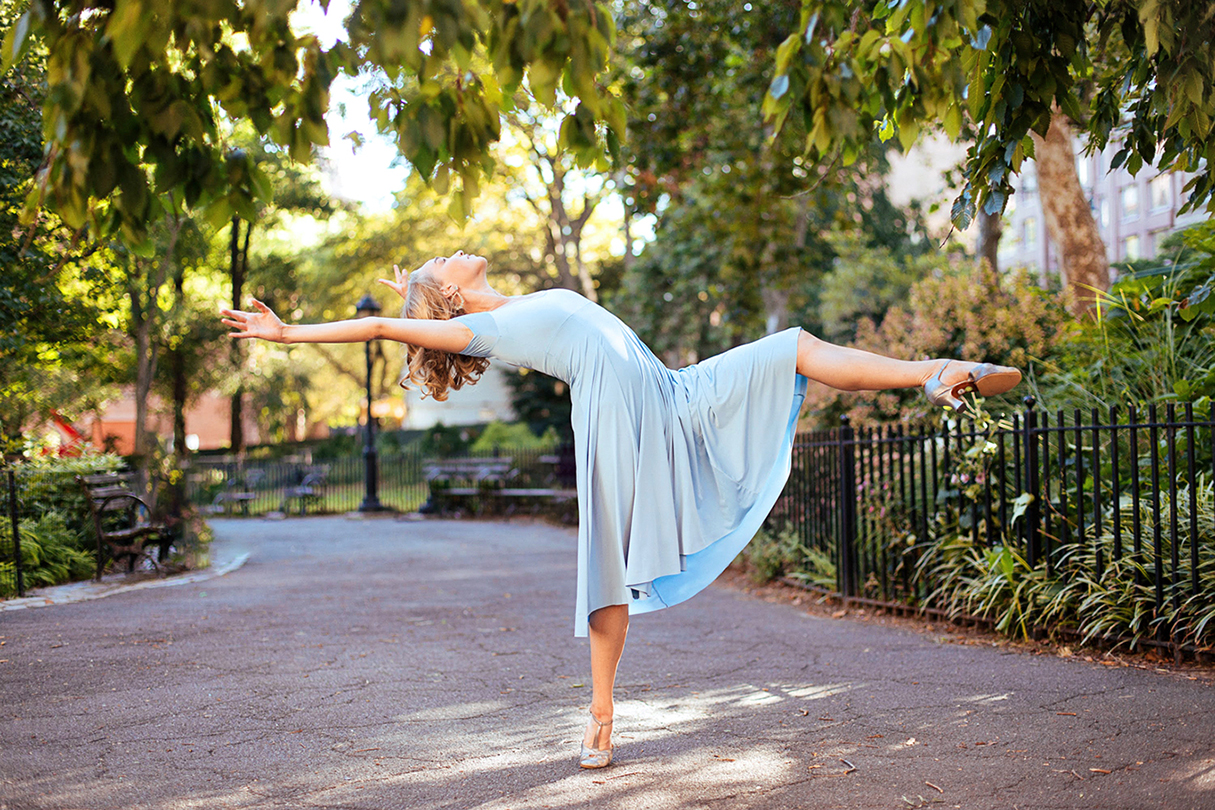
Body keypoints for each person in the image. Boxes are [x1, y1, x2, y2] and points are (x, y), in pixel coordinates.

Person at [221, 250, 1021, 770]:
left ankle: (933, 373)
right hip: (616, 413)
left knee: (796, 346)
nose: (454, 246)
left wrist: (416, 287)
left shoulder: (505, 303)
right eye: (442, 257)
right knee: (609, 566)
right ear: (451, 292)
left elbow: (427, 303)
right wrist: (289, 333)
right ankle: (599, 718)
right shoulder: (474, 326)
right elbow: (379, 324)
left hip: (664, 390)